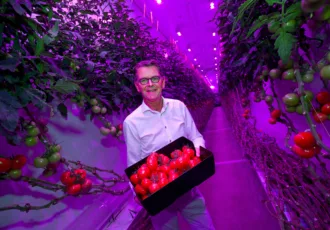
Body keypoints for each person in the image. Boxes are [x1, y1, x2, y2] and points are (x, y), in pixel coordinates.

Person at [123, 59, 215, 230]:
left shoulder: (179, 107)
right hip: (160, 198)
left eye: (155, 78)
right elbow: (134, 164)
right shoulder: (132, 123)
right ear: (137, 86)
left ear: (163, 81)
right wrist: (139, 192)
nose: (150, 84)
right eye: (144, 80)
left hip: (189, 190)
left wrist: (196, 158)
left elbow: (195, 137)